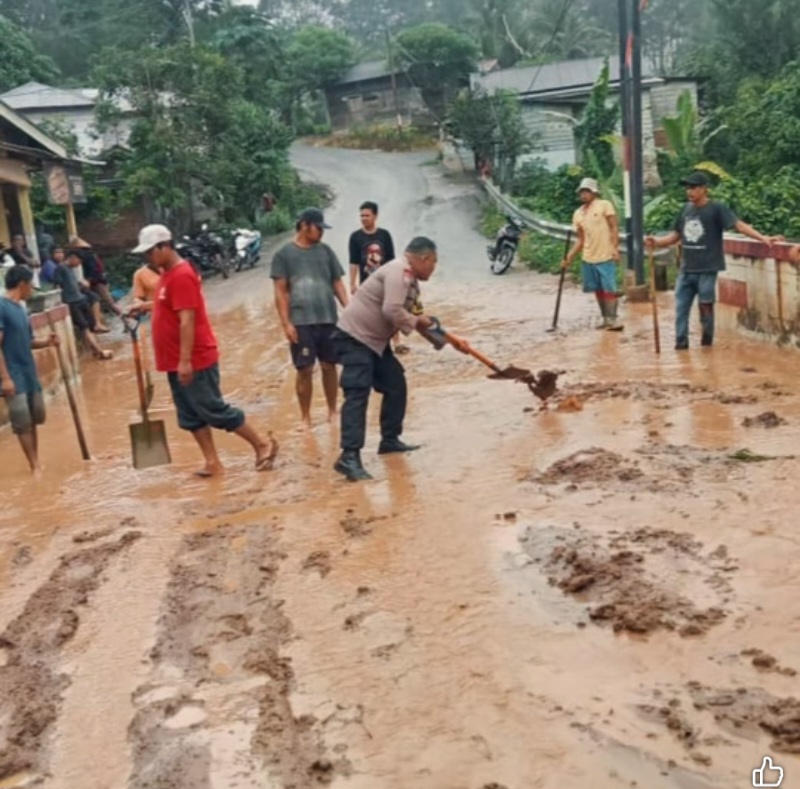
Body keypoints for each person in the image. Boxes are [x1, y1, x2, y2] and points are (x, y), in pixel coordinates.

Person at [132, 224, 277, 477]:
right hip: (174, 359)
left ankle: (261, 444)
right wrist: (143, 307)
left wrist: (185, 361)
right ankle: (212, 462)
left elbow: (187, 319)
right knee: (190, 416)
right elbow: (167, 304)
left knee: (212, 409)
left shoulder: (182, 275)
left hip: (194, 358)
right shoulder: (167, 274)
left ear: (165, 246)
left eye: (150, 251)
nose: (147, 257)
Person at [332, 236, 467, 482]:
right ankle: (349, 456)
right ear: (424, 258)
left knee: (395, 384)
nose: (433, 269)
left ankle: (390, 440)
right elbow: (392, 311)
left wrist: (446, 341)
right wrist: (423, 324)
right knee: (357, 394)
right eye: (434, 263)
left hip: (375, 342)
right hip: (355, 338)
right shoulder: (399, 271)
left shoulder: (411, 282)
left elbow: (418, 318)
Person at [645, 171, 782, 350]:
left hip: (707, 269)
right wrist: (656, 242)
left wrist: (763, 238)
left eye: (693, 187)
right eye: (688, 188)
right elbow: (675, 236)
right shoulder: (685, 210)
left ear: (704, 189)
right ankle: (681, 345)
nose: (689, 191)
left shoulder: (717, 209)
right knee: (680, 309)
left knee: (706, 307)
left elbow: (739, 225)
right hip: (686, 270)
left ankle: (706, 344)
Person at [270, 207, 349, 427]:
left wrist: (349, 310)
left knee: (329, 365)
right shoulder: (283, 255)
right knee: (304, 369)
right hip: (301, 321)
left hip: (328, 318)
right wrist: (286, 323)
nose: (321, 232)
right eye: (318, 228)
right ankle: (305, 417)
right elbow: (280, 292)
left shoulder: (326, 252)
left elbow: (337, 284)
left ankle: (332, 411)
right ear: (304, 225)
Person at [0, 265, 59, 474]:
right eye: (31, 286)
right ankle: (34, 465)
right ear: (22, 284)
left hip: (28, 371)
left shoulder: (22, 309)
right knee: (22, 420)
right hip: (12, 373)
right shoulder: (1, 306)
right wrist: (5, 378)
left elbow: (29, 341)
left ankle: (36, 460)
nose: (32, 290)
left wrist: (47, 342)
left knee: (35, 416)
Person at [562, 177, 623, 331]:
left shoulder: (604, 205)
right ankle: (605, 318)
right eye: (582, 191)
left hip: (605, 255)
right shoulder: (578, 213)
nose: (584, 194)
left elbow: (614, 227)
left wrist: (614, 248)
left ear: (594, 192)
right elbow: (580, 239)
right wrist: (569, 257)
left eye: (587, 191)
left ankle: (613, 319)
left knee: (609, 288)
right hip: (588, 257)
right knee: (598, 289)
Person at [348, 201, 408, 354]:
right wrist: (352, 284)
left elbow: (391, 260)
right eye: (361, 216)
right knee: (369, 313)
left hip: (386, 281)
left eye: (367, 216)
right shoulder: (355, 237)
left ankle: (397, 343)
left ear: (375, 216)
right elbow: (354, 262)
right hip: (366, 284)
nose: (363, 219)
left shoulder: (384, 235)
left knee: (391, 311)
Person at [52, 251, 114, 360]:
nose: (79, 264)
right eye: (78, 261)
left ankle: (94, 351)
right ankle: (100, 352)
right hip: (72, 302)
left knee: (90, 327)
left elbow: (70, 284)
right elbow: (57, 285)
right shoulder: (61, 269)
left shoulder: (69, 269)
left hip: (80, 299)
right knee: (84, 328)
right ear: (72, 258)